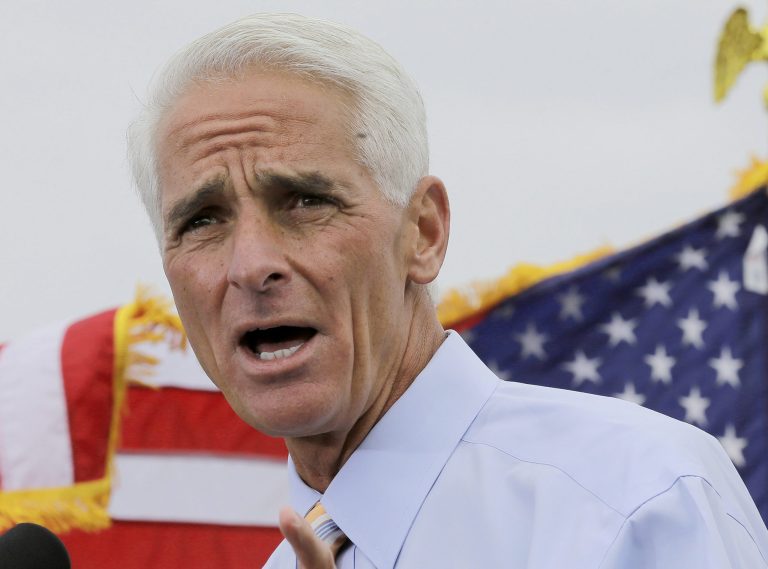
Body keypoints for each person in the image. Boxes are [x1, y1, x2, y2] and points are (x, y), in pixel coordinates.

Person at [128, 13, 768, 569]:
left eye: (303, 201)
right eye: (203, 220)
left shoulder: (635, 499)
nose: (251, 264)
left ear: (424, 233)